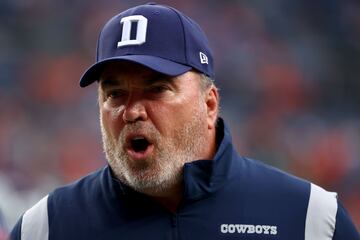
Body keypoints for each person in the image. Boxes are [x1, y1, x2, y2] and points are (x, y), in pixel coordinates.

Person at [10, 3, 359, 240]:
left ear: (209, 105)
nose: (132, 112)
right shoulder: (45, 228)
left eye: (157, 89)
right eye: (115, 94)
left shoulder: (311, 219)